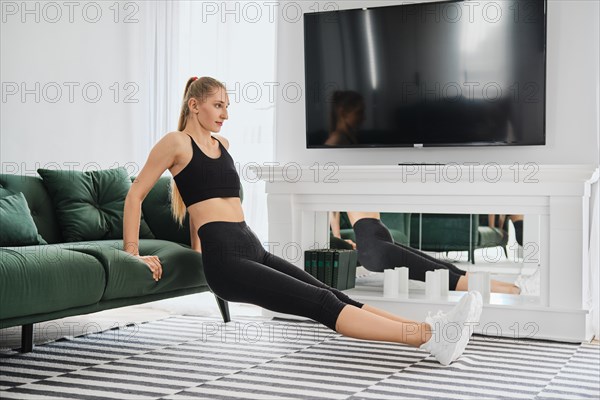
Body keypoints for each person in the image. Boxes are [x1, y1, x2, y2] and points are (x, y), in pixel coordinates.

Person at [123, 76, 483, 366]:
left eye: (227, 106)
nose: (225, 114)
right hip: (227, 262)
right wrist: (133, 251)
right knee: (321, 306)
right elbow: (135, 194)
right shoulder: (176, 142)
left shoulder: (224, 145)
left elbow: (212, 200)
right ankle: (430, 337)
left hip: (251, 245)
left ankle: (430, 331)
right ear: (194, 104)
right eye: (219, 105)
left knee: (332, 294)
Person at [331, 211, 524, 294]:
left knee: (440, 269)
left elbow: (332, 213)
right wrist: (340, 240)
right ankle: (510, 289)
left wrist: (339, 239)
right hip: (374, 243)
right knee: (438, 271)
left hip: (377, 242)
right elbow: (332, 214)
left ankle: (510, 287)